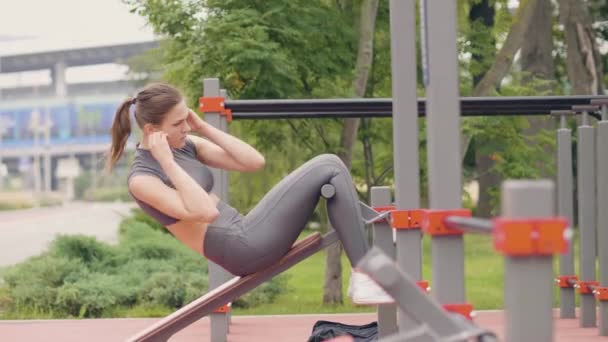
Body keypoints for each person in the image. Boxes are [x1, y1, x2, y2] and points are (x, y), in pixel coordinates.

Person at [106, 82, 391, 304]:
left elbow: (252, 161)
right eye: (177, 123)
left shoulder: (185, 143)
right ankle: (364, 275)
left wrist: (203, 127)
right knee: (328, 165)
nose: (185, 126)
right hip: (240, 247)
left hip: (244, 229)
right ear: (152, 130)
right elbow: (205, 212)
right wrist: (166, 161)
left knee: (330, 167)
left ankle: (363, 272)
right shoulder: (142, 178)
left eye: (186, 118)